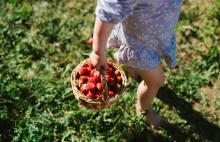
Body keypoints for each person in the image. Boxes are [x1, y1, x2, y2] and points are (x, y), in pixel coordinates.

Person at [90, 0, 183, 129]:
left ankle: (128, 63)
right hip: (140, 47)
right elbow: (107, 12)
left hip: (154, 34)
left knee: (144, 69)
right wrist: (98, 52)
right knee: (156, 82)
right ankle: (144, 109)